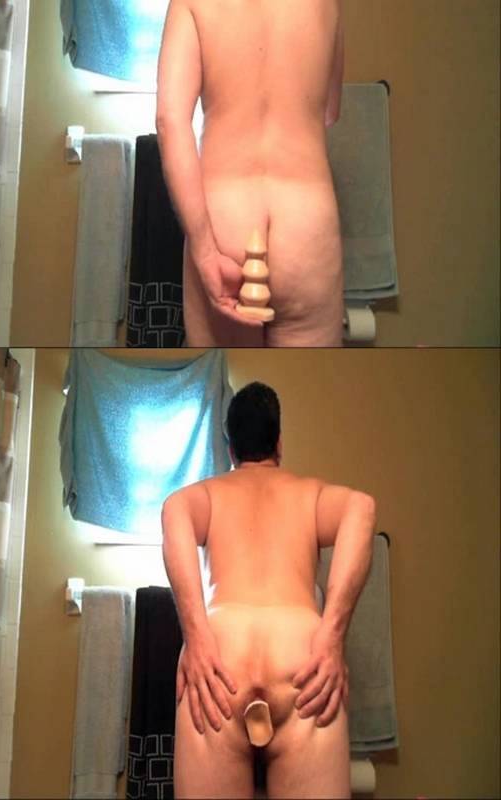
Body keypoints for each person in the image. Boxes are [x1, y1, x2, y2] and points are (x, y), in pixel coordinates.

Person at [162, 382, 376, 799]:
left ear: (231, 450)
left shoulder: (209, 494)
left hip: (220, 665)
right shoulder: (310, 494)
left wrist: (197, 635)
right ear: (279, 443)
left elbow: (173, 511)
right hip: (301, 665)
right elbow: (362, 508)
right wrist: (331, 636)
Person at [156, 0, 345, 347]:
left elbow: (170, 121)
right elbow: (330, 110)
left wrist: (204, 252)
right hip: (306, 230)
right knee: (303, 377)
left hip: (225, 222)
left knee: (229, 371)